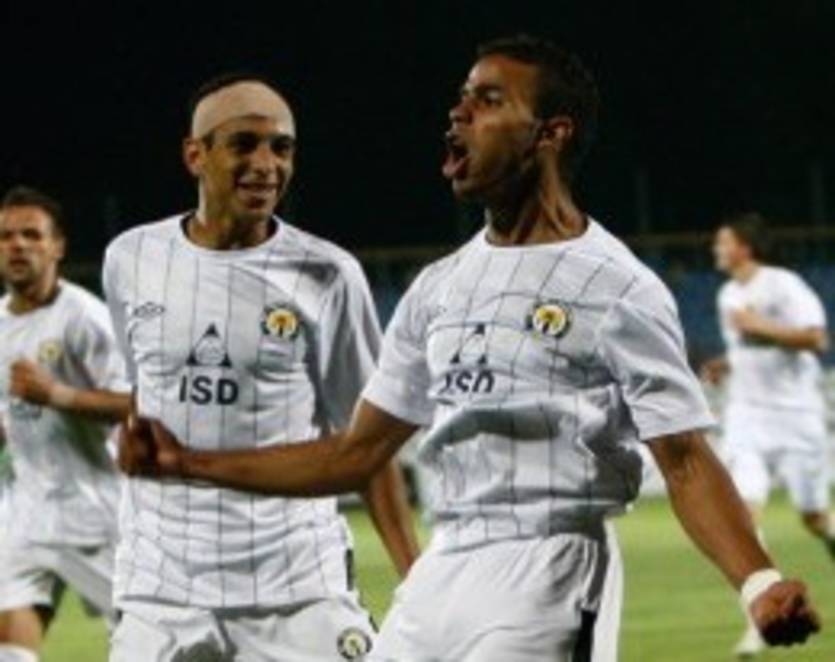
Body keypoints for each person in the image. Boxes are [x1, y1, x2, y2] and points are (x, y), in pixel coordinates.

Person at [121, 36, 820, 661]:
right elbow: (356, 453)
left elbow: (684, 457)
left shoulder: (617, 287)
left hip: (549, 567)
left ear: (550, 133)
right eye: (460, 98)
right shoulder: (438, 287)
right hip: (444, 566)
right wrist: (187, 462)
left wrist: (756, 580)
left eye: (487, 100)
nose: (457, 113)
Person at [102, 73, 419, 661]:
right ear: (195, 155)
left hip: (296, 585)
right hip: (162, 588)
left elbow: (369, 446)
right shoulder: (130, 258)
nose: (267, 165)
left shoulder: (328, 274)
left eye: (282, 147)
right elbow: (144, 393)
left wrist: (415, 578)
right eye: (244, 144)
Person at [0, 186, 131, 662]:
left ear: (57, 246)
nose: (17, 245)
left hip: (94, 515)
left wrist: (55, 394)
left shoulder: (86, 319)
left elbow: (134, 403)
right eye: (6, 236)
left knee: (152, 644)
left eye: (31, 235)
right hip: (25, 516)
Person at [703, 212, 832, 657]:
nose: (716, 249)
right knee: (744, 516)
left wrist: (761, 327)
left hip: (797, 418)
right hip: (747, 418)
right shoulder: (727, 294)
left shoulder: (784, 285)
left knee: (815, 518)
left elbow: (817, 340)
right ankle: (761, 618)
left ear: (744, 246)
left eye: (723, 242)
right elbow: (745, 349)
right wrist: (726, 363)